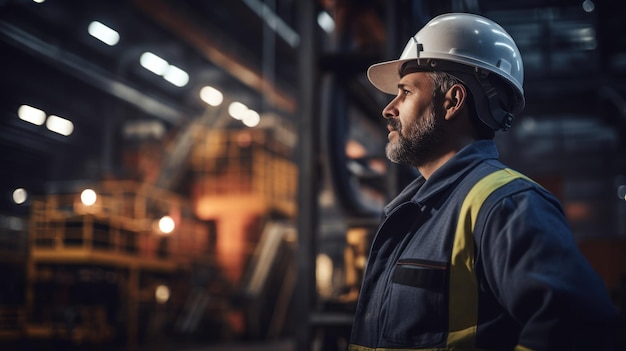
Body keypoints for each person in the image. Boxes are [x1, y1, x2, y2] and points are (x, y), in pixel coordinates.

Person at [348, 12, 619, 351]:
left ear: (453, 101)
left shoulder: (509, 205)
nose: (390, 108)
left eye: (405, 91)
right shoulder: (417, 211)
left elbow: (579, 330)